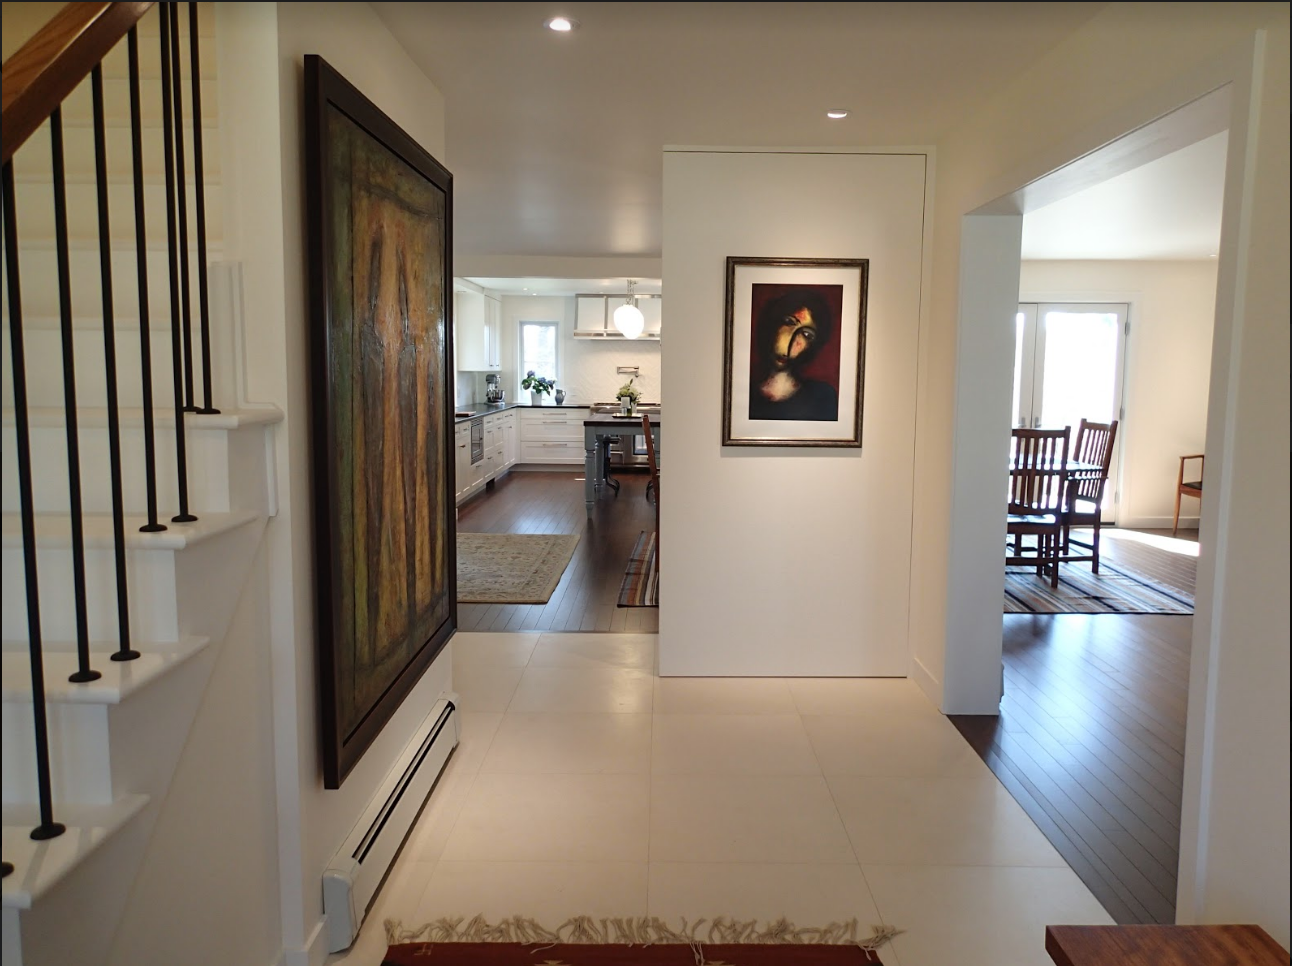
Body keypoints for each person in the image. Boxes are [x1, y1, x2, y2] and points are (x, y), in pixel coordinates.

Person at [748, 288, 839, 421]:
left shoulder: (822, 397)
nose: (791, 343)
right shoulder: (743, 393)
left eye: (806, 334)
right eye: (789, 323)